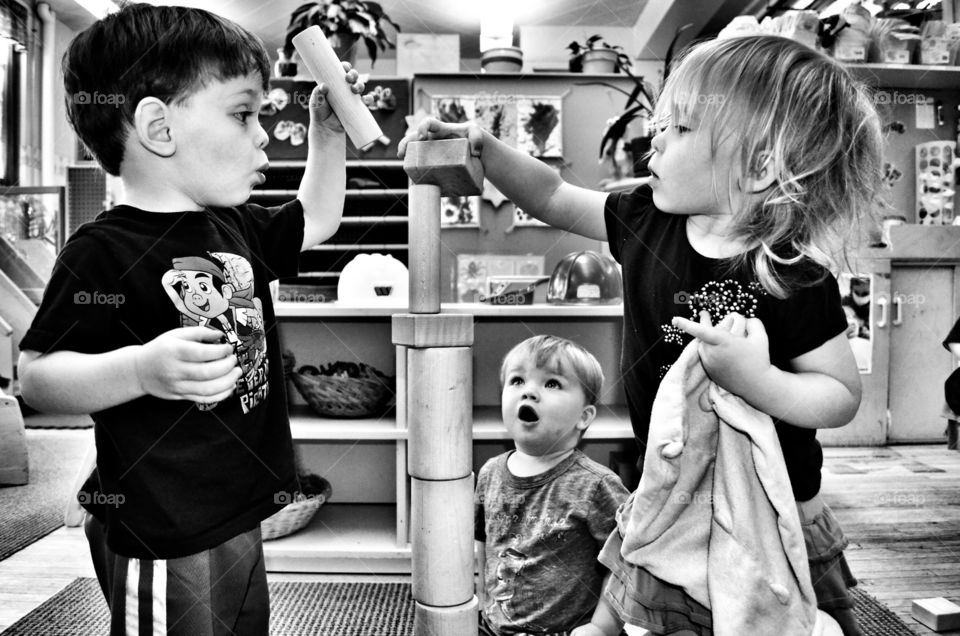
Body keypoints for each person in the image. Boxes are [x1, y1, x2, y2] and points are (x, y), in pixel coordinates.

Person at [402, 34, 882, 636]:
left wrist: (757, 380)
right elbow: (551, 194)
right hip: (669, 492)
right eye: (659, 124)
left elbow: (840, 395)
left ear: (759, 166)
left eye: (678, 128)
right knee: (657, 607)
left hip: (775, 509)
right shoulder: (642, 220)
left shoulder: (791, 273)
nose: (654, 138)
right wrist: (486, 147)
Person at [17, 4, 363, 634]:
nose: (261, 135)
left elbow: (317, 217)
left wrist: (328, 132)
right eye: (243, 114)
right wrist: (140, 370)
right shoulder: (102, 252)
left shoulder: (234, 224)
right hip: (165, 528)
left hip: (237, 508)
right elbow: (38, 378)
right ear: (159, 127)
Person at [474, 335, 629, 635]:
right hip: (495, 627)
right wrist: (481, 597)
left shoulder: (597, 486)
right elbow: (485, 542)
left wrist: (603, 626)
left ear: (584, 417)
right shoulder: (490, 472)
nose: (529, 391)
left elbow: (625, 559)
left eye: (552, 383)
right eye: (517, 380)